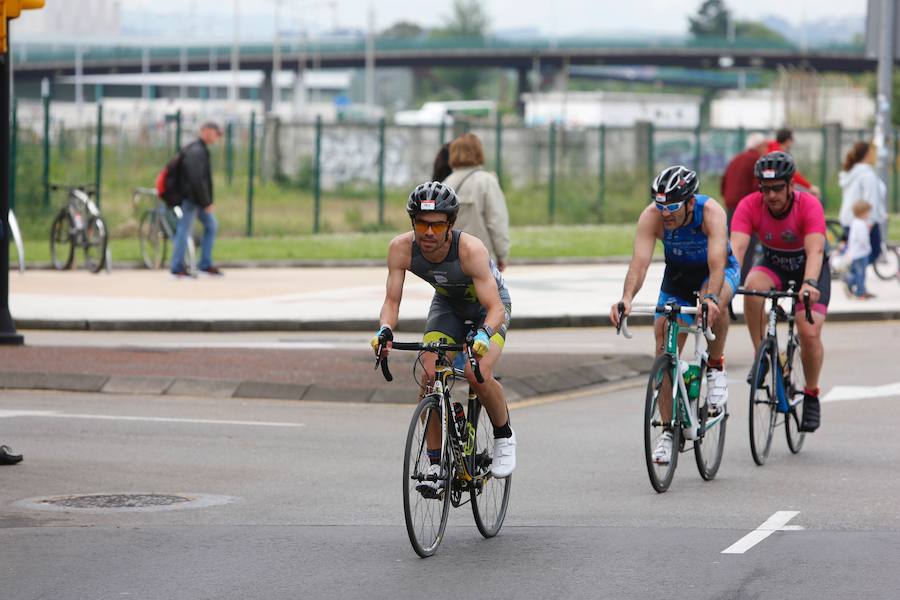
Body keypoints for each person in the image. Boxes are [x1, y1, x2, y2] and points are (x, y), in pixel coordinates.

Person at [371, 181, 515, 493]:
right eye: (421, 224)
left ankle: (504, 436)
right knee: (428, 374)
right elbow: (392, 301)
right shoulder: (400, 248)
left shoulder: (470, 250)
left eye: (437, 226)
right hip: (447, 305)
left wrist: (484, 334)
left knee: (479, 373)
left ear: (450, 224)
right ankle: (435, 464)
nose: (428, 233)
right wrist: (385, 330)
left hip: (488, 310)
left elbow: (494, 308)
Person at [609, 165, 739, 465]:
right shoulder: (651, 217)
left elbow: (718, 263)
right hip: (679, 276)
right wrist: (627, 299)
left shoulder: (711, 213)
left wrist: (708, 299)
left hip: (715, 272)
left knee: (715, 305)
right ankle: (668, 430)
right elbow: (639, 263)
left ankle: (716, 367)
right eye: (661, 206)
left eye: (673, 207)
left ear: (690, 202)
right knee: (662, 343)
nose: (665, 214)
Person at [730, 151, 829, 433]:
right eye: (765, 189)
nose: (771, 196)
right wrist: (724, 283)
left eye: (777, 189)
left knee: (808, 331)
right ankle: (762, 356)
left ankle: (811, 394)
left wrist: (809, 283)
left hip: (809, 268)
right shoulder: (750, 205)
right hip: (774, 263)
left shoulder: (808, 205)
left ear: (790, 186)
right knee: (750, 289)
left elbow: (815, 250)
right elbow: (736, 250)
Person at [442, 133, 510, 271]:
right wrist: (502, 254)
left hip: (450, 258)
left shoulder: (445, 184)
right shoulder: (487, 181)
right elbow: (496, 221)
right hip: (481, 257)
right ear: (478, 152)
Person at [171, 121, 223, 278]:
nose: (216, 137)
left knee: (211, 225)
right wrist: (206, 202)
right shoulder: (196, 151)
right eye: (215, 133)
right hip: (191, 199)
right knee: (184, 230)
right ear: (206, 131)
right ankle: (177, 267)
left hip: (197, 199)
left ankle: (205, 264)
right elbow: (196, 179)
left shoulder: (200, 150)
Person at [722, 132, 769, 284]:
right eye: (765, 146)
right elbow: (758, 187)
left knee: (732, 244)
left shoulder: (735, 159)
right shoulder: (756, 161)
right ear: (759, 146)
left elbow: (723, 182)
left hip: (731, 206)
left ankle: (729, 275)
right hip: (746, 209)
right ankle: (742, 278)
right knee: (747, 245)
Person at [838, 141, 887, 270]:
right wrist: (869, 221)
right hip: (862, 219)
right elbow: (871, 200)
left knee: (855, 252)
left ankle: (854, 280)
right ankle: (850, 276)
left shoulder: (851, 172)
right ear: (867, 154)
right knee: (872, 252)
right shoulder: (867, 174)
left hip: (848, 218)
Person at [767, 128, 821, 197]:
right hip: (779, 186)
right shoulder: (781, 154)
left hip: (769, 185)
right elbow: (793, 174)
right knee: (811, 195)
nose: (792, 142)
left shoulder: (769, 147)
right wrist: (809, 186)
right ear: (787, 140)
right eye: (792, 139)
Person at [844, 200, 873, 300]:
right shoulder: (861, 224)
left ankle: (861, 289)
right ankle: (859, 291)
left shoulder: (855, 222)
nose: (869, 214)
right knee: (861, 274)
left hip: (855, 253)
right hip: (861, 253)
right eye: (868, 212)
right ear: (863, 213)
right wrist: (868, 248)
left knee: (857, 272)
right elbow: (863, 239)